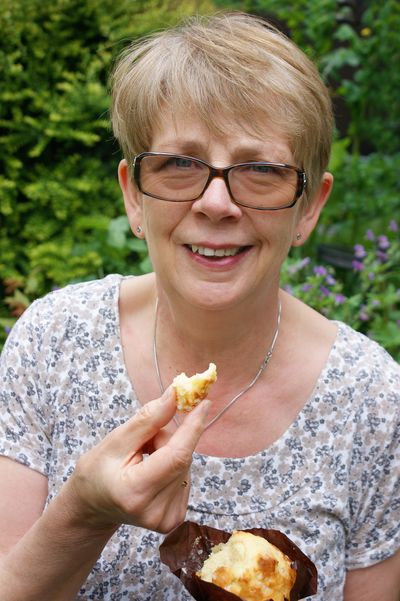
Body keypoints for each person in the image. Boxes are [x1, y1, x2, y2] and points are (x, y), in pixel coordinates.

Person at [0, 12, 399, 601]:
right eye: (179, 164)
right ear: (133, 195)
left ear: (309, 206)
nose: (216, 203)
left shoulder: (373, 402)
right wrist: (84, 513)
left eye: (260, 169)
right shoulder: (54, 344)